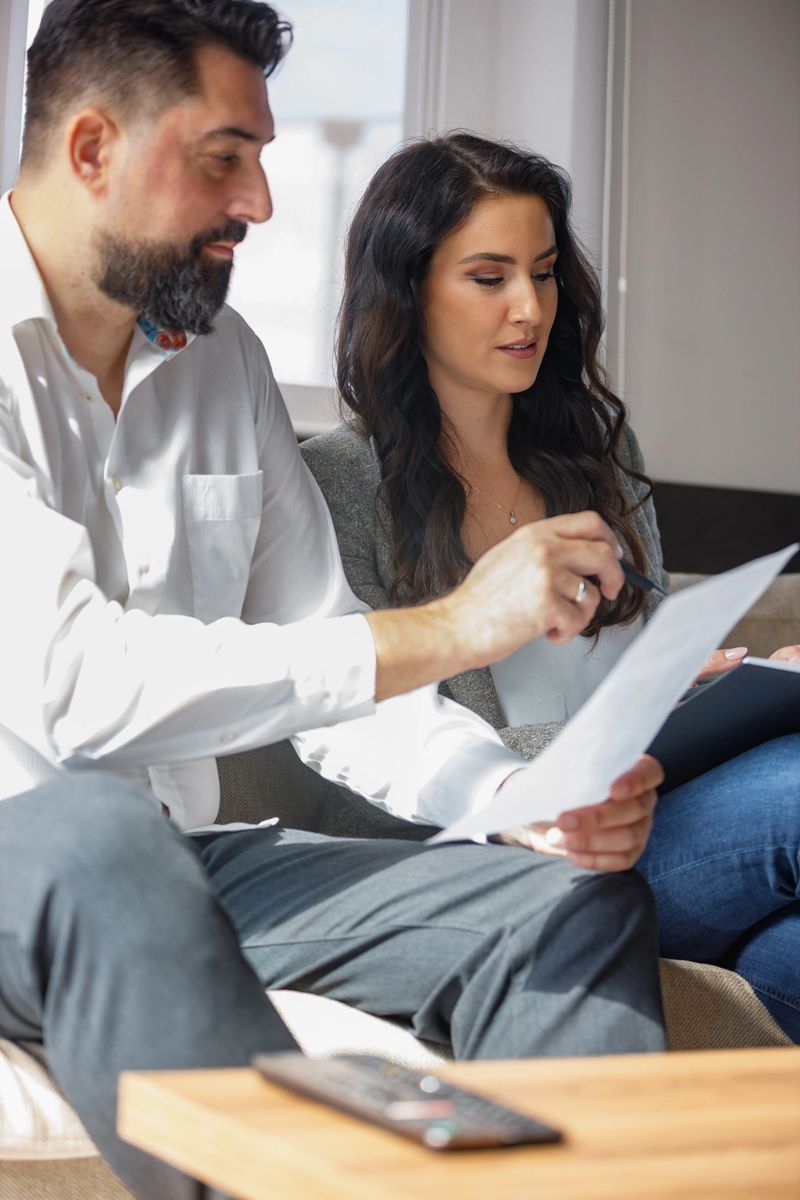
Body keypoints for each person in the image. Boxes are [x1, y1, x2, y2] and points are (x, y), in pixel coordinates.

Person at [0, 5, 670, 1197]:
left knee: (566, 903)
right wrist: (456, 626)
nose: (259, 201)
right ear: (92, 147)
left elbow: (335, 675)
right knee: (97, 834)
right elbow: (72, 689)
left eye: (260, 156)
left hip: (183, 860)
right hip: (36, 850)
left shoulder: (227, 366)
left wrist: (518, 799)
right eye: (223, 158)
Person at [300, 131, 800, 1045]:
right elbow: (362, 755)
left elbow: (637, 675)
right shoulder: (335, 482)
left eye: (542, 272)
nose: (529, 307)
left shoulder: (599, 457)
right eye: (488, 278)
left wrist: (726, 684)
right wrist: (614, 724)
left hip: (656, 807)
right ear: (407, 289)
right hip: (502, 862)